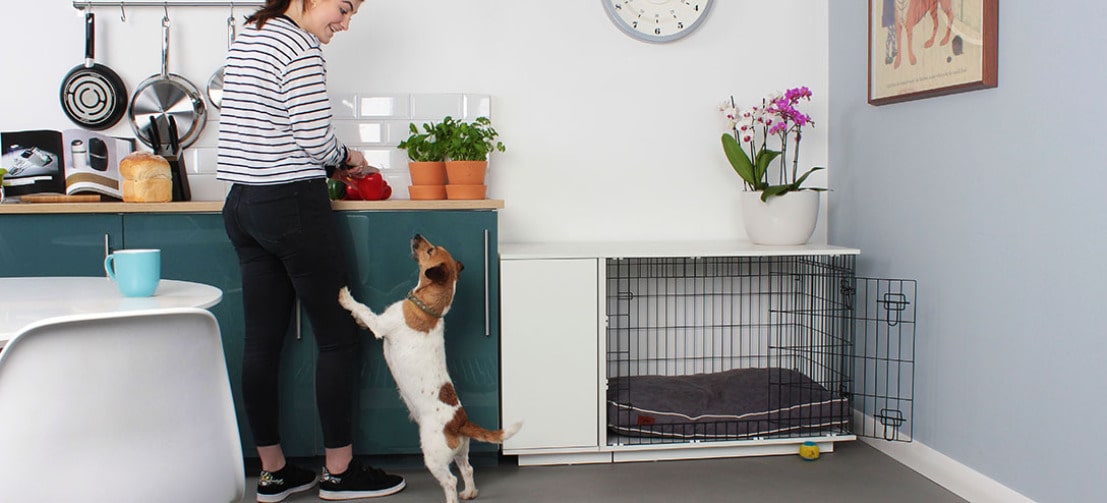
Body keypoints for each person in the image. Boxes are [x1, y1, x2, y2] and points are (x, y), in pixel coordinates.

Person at [217, 1, 405, 501]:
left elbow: (255, 131)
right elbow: (314, 138)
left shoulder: (250, 35)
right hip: (290, 204)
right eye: (343, 9)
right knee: (338, 334)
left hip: (241, 203)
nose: (343, 24)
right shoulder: (299, 45)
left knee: (261, 342)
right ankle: (340, 472)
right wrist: (347, 158)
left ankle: (275, 472)